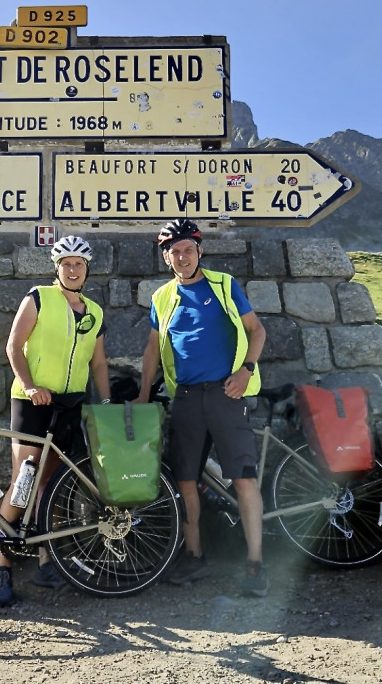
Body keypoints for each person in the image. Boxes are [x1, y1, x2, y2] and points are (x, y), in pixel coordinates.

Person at [136, 218, 269, 596]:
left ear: (199, 251)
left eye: (188, 250)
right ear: (166, 257)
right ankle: (194, 557)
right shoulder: (162, 298)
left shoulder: (223, 285)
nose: (182, 257)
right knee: (185, 480)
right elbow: (151, 350)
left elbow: (256, 330)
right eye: (174, 252)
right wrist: (144, 393)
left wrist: (246, 371)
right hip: (188, 398)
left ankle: (256, 564)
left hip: (227, 394)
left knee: (243, 478)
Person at [0, 235, 112, 607]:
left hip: (70, 404)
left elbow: (99, 363)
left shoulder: (94, 311)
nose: (72, 269)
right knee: (25, 480)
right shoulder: (39, 297)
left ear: (86, 269)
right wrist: (29, 386)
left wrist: (105, 402)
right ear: (57, 268)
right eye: (66, 264)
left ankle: (46, 562)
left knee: (52, 485)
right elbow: (14, 345)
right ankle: (2, 567)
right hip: (34, 400)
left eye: (79, 264)